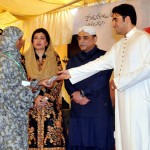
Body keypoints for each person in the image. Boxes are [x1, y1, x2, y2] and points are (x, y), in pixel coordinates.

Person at [57, 4, 150, 150]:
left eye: (115, 19)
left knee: (140, 136)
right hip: (123, 98)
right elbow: (99, 64)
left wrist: (120, 81)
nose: (113, 24)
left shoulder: (144, 39)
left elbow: (148, 68)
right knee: (124, 137)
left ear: (127, 19)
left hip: (139, 98)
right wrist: (72, 73)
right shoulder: (119, 45)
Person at [0, 26, 51, 150]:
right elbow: (5, 90)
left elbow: (21, 83)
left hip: (17, 114)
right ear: (11, 40)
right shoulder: (4, 61)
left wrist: (37, 83)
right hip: (8, 114)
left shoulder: (14, 58)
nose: (22, 42)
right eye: (19, 39)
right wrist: (31, 96)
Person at [64, 26, 114, 150]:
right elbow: (67, 80)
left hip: (98, 109)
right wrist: (74, 93)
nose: (81, 41)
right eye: (79, 38)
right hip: (79, 110)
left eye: (85, 38)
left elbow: (102, 79)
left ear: (95, 39)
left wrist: (82, 93)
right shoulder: (73, 60)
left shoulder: (105, 56)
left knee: (100, 144)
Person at [22, 28, 66, 149]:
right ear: (32, 41)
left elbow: (59, 79)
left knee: (51, 140)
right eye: (35, 38)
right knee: (32, 139)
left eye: (42, 38)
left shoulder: (54, 57)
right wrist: (34, 98)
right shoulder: (24, 59)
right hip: (32, 105)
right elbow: (21, 82)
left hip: (50, 106)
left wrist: (47, 97)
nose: (38, 41)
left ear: (47, 42)